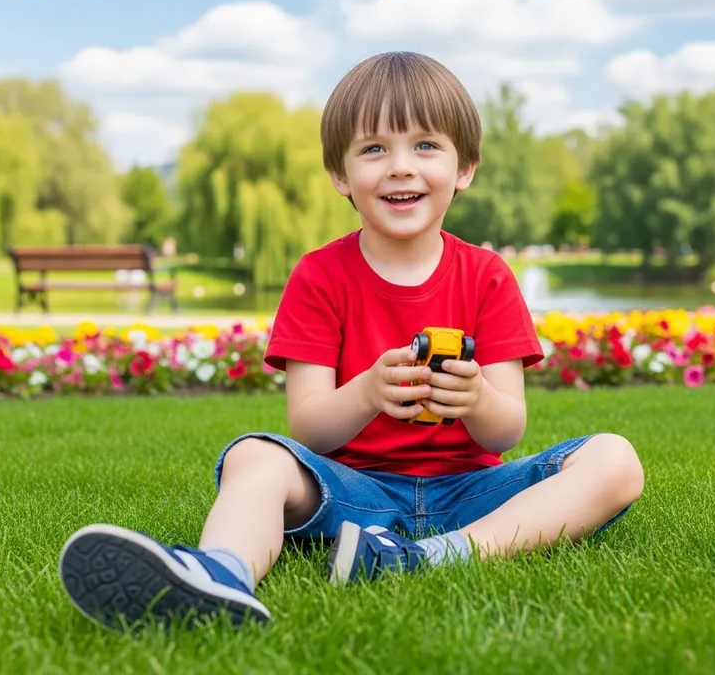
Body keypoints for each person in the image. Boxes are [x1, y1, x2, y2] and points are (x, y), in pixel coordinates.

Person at [58, 52, 645, 632]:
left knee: (615, 459)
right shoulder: (319, 276)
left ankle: (428, 558)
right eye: (373, 149)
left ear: (464, 168)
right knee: (253, 455)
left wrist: (475, 398)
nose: (400, 167)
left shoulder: (488, 276)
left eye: (425, 146)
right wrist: (367, 391)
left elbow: (507, 430)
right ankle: (219, 576)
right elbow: (310, 428)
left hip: (472, 493)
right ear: (340, 175)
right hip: (354, 493)